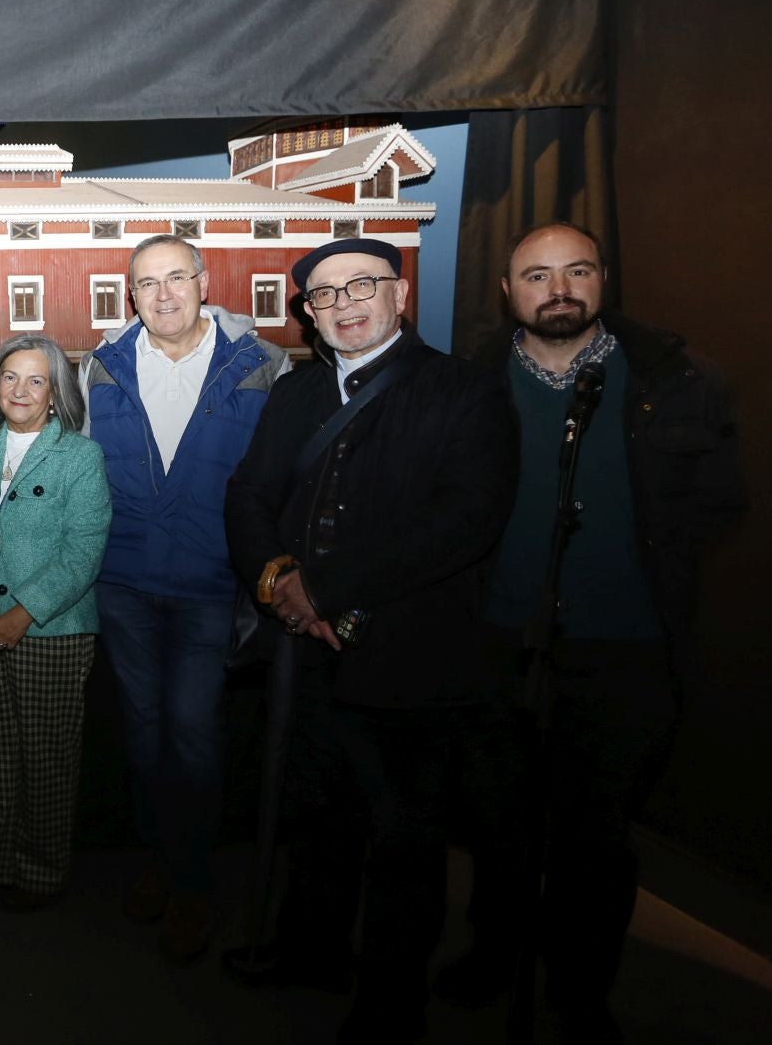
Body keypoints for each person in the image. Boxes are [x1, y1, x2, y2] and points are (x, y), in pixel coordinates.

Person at [434, 223, 746, 1039]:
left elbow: (721, 501)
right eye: (536, 275)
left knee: (595, 840)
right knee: (498, 825)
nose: (558, 288)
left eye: (576, 270)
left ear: (604, 279)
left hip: (627, 651)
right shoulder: (470, 381)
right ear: (509, 292)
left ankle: (581, 990)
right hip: (500, 641)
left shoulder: (676, 378)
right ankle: (494, 956)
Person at [222, 238, 517, 1041]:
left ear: (400, 292)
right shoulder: (296, 395)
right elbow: (249, 493)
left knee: (403, 841)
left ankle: (392, 1005)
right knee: (316, 820)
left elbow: (464, 518)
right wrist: (280, 577)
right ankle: (309, 951)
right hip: (305, 656)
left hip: (412, 658)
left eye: (362, 286)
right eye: (325, 296)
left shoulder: (463, 390)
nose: (345, 304)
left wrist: (329, 588)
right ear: (308, 315)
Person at [80, 234, 288, 962]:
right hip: (125, 585)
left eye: (176, 278)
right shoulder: (99, 371)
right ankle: (155, 863)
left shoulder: (263, 367)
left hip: (209, 587)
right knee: (141, 731)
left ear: (204, 281)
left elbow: (277, 482)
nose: (163, 295)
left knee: (193, 732)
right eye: (146, 283)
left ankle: (193, 885)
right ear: (128, 295)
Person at [0, 333, 111, 912]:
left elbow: (84, 550)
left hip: (52, 633)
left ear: (57, 392)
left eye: (36, 379)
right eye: (9, 377)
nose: (20, 389)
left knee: (47, 759)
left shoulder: (81, 458)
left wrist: (20, 615)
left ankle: (39, 874)